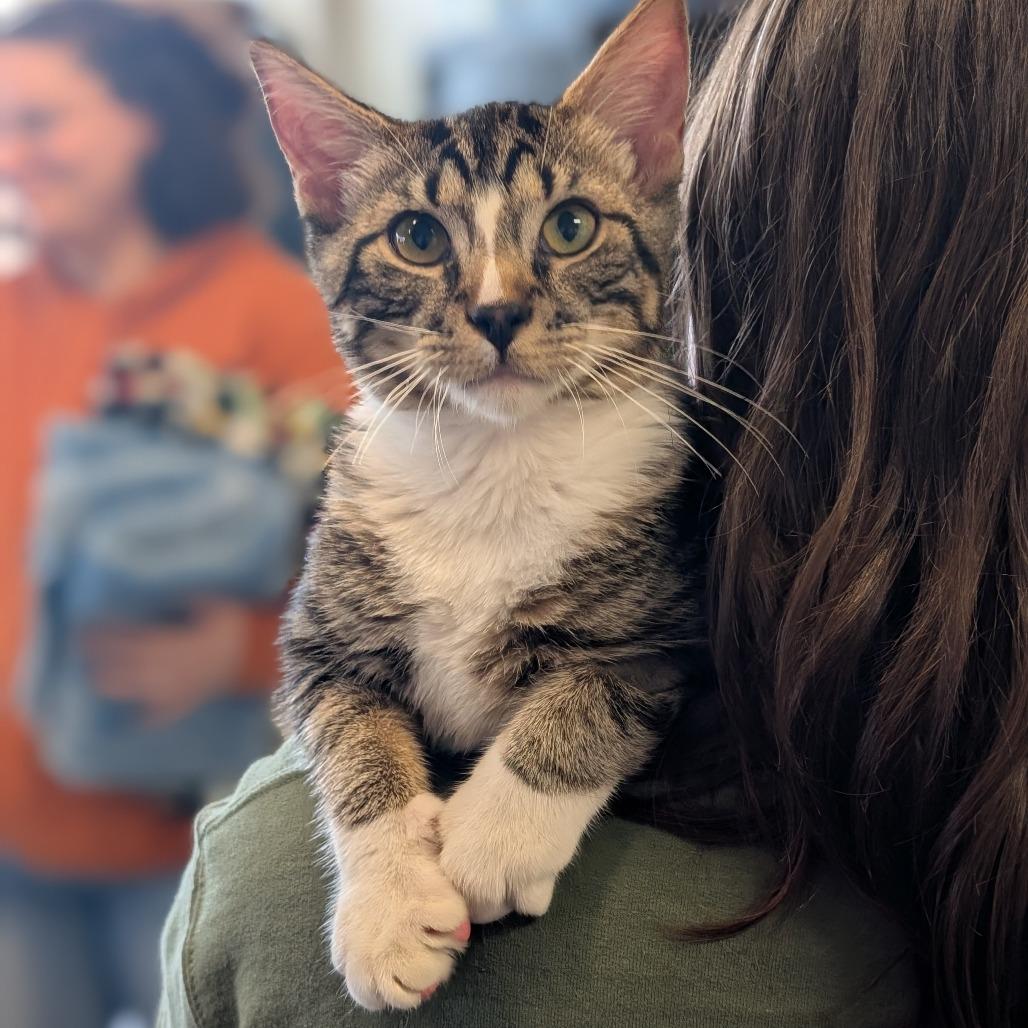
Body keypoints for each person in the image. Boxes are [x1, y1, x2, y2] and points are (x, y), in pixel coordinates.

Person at [158, 0, 1025, 1026]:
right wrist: (381, 838)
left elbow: (642, 659)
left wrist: (529, 792)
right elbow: (329, 670)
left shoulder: (673, 486)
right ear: (325, 198)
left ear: (665, 173)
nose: (496, 297)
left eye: (565, 228)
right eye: (417, 239)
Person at [0, 3, 348, 1026]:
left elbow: (380, 551)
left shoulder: (276, 310)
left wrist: (242, 651)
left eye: (38, 121)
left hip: (194, 834)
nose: (10, 155)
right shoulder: (10, 312)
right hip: (15, 831)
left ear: (143, 118)